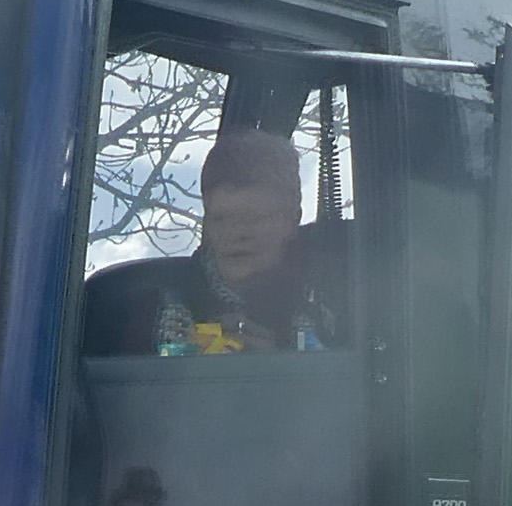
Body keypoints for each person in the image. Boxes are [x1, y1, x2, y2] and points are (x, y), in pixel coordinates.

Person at [82, 117, 350, 356]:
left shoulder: (339, 301)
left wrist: (275, 367)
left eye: (253, 219)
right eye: (221, 219)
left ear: (292, 219)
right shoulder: (141, 312)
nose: (236, 233)